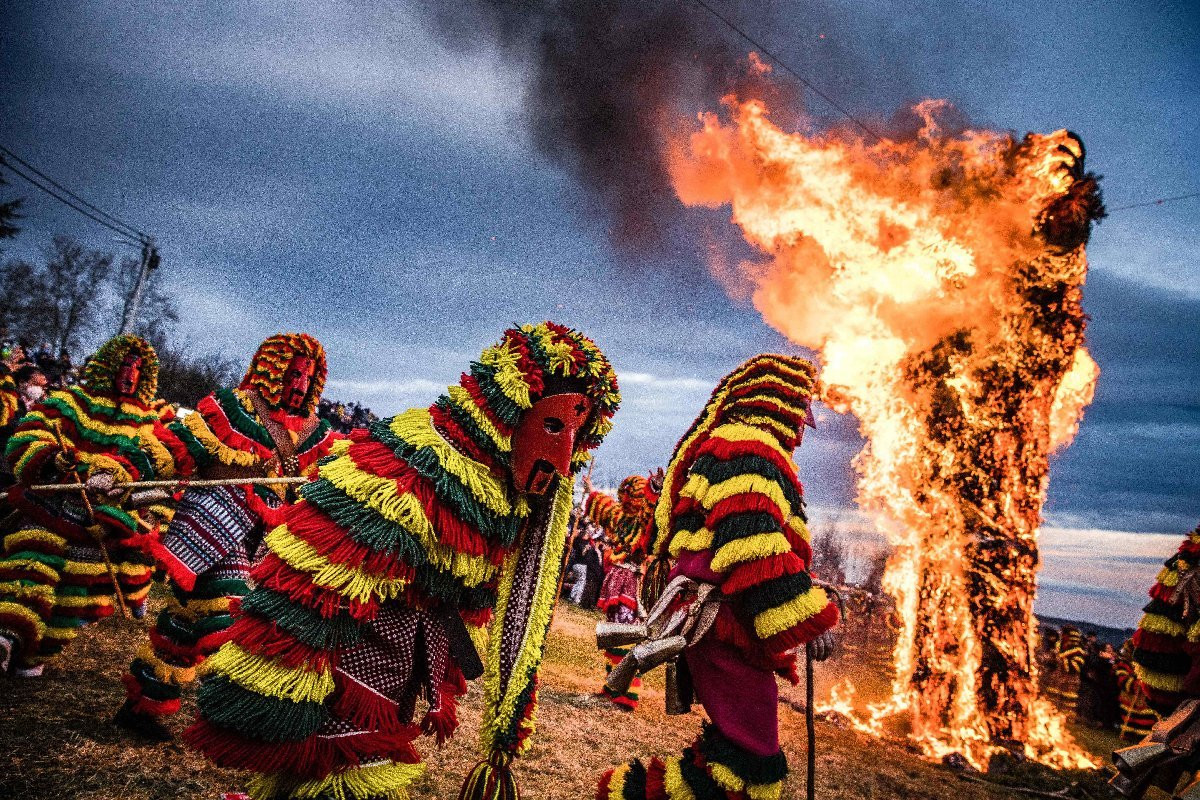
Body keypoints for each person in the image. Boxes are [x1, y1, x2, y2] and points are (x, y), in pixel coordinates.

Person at [185, 322, 620, 800]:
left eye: (576, 435)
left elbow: (500, 592)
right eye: (552, 425)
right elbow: (310, 584)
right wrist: (282, 689)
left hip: (407, 659)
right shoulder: (411, 465)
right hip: (348, 655)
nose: (561, 460)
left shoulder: (518, 496)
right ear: (506, 411)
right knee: (337, 773)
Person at [599, 354, 838, 800]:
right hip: (725, 623)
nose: (806, 425)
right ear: (779, 399)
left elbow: (759, 541)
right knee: (752, 766)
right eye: (803, 408)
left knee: (739, 762)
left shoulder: (739, 443)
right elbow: (750, 542)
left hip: (725, 622)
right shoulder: (748, 447)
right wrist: (808, 618)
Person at [114, 333, 337, 742]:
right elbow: (176, 445)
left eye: (309, 376)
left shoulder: (316, 434)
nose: (300, 384)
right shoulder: (231, 408)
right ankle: (238, 717)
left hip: (258, 541)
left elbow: (328, 483)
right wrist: (119, 471)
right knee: (230, 614)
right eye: (293, 373)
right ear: (271, 370)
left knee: (185, 623)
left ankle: (144, 700)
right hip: (209, 525)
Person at [0, 335, 180, 675]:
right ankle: (7, 635)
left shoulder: (147, 422)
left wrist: (125, 485)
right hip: (50, 507)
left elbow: (160, 464)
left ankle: (33, 656)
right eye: (125, 365)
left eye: (138, 368)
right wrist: (56, 457)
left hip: (96, 527)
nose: (130, 374)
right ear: (109, 365)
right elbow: (30, 433)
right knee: (32, 567)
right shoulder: (72, 401)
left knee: (71, 596)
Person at [583, 471, 662, 710]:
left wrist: (655, 488)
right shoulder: (618, 516)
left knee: (626, 637)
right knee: (614, 635)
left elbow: (652, 513)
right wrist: (589, 490)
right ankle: (613, 686)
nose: (626, 498)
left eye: (631, 494)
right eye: (625, 493)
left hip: (632, 580)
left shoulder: (643, 522)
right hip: (617, 577)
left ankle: (627, 694)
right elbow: (603, 506)